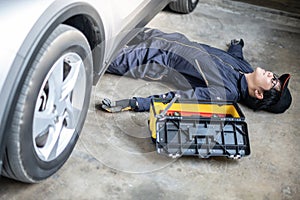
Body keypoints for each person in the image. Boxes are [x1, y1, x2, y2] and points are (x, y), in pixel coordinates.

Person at [100, 28, 292, 114]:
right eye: (275, 76)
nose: (271, 75)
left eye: (273, 82)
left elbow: (179, 99)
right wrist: (237, 45)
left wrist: (134, 103)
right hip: (169, 38)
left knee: (97, 55)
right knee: (108, 29)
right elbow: (236, 56)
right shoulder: (245, 69)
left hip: (154, 59)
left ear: (259, 94)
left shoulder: (225, 92)